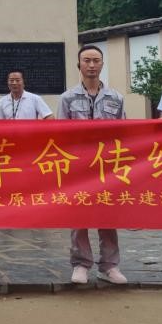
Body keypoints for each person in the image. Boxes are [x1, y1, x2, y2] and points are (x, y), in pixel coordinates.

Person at [58, 45, 129, 285]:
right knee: (79, 216)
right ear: (79, 64)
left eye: (96, 60)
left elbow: (122, 133)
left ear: (102, 64)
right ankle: (81, 264)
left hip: (106, 165)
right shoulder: (67, 98)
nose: (91, 65)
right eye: (86, 60)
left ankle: (109, 265)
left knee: (108, 215)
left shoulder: (115, 98)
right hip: (79, 167)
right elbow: (60, 135)